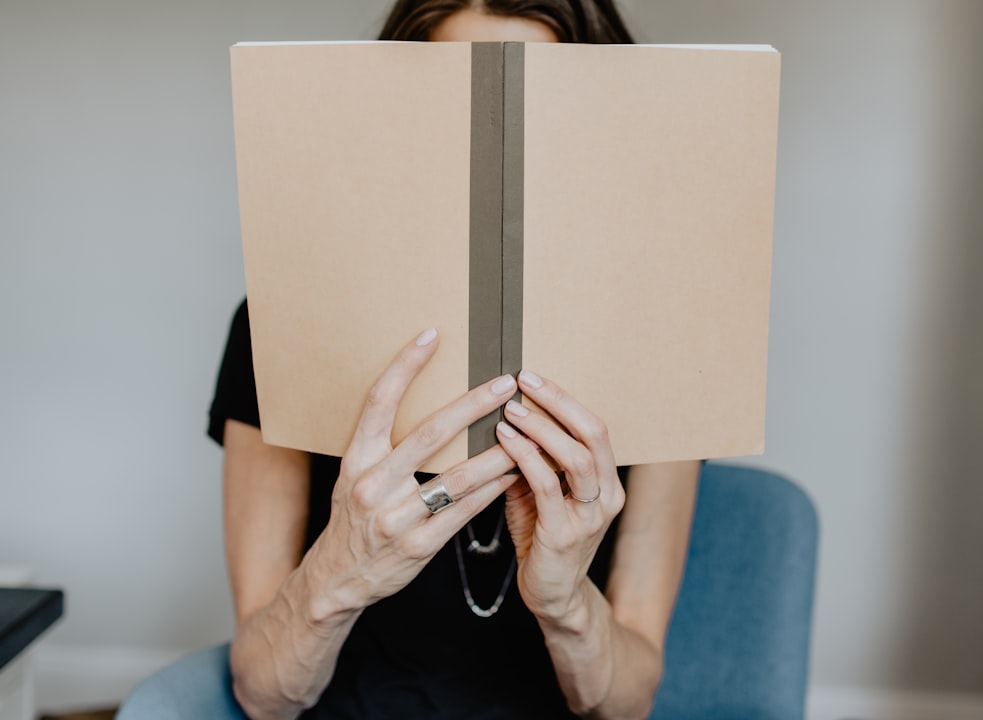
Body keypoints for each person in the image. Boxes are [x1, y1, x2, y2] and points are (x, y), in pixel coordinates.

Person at [117, 2, 699, 718]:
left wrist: (566, 601)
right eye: (457, 103)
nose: (497, 148)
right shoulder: (280, 327)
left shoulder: (663, 347)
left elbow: (627, 699)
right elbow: (264, 694)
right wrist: (340, 570)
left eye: (537, 108)